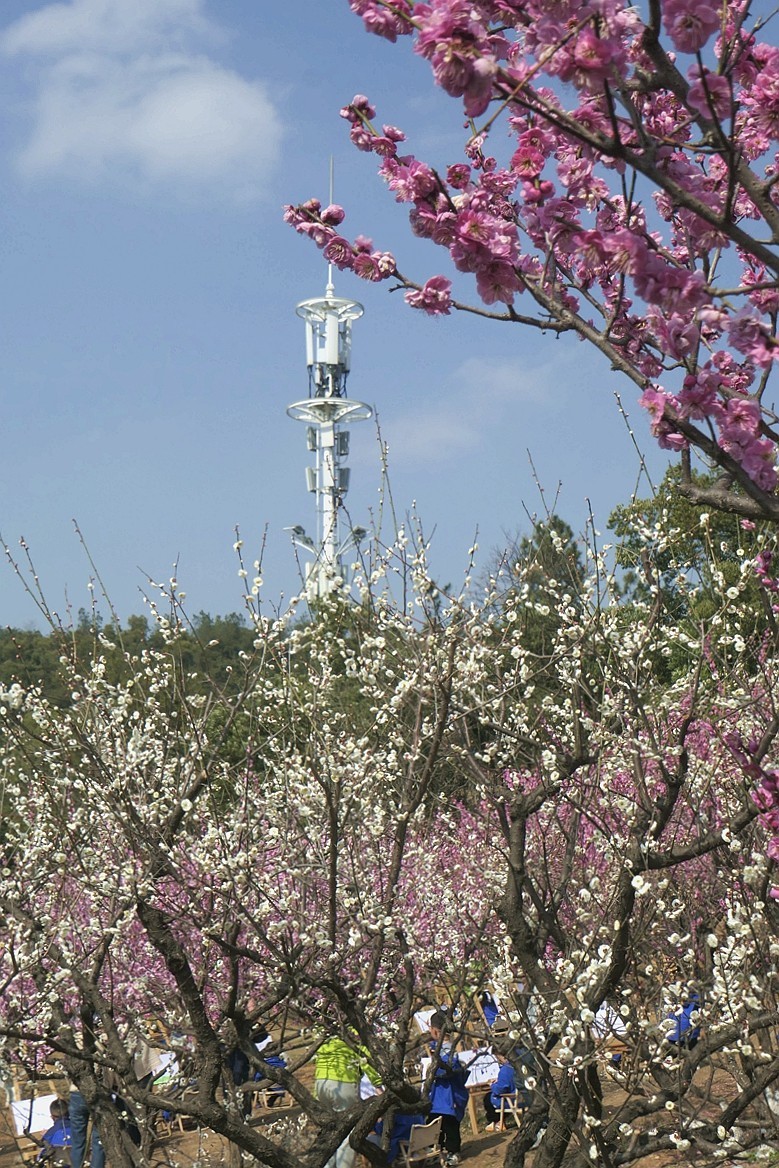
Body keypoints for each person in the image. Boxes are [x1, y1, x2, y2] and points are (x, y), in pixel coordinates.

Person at [314, 1034, 380, 1168]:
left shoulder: (324, 1030)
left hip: (321, 1083)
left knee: (329, 1130)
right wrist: (378, 1083)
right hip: (343, 1083)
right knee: (348, 1131)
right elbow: (365, 1059)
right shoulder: (354, 1031)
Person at [426, 1011, 469, 1168]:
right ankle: (440, 1151)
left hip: (447, 1098)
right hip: (440, 1098)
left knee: (449, 1127)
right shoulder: (444, 1049)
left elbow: (446, 1071)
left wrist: (432, 1069)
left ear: (436, 1031)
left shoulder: (447, 1052)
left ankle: (453, 1151)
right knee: (438, 1125)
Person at [483, 1050, 516, 1131]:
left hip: (511, 1099)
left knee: (488, 1098)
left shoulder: (506, 1069)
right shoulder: (516, 1065)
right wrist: (499, 1080)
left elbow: (500, 1090)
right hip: (520, 1096)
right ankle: (497, 1121)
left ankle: (496, 1121)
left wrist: (492, 1085)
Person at [37, 1099, 71, 1165]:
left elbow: (42, 1157)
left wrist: (46, 1135)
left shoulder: (49, 1134)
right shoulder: (80, 1129)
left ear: (52, 1117)